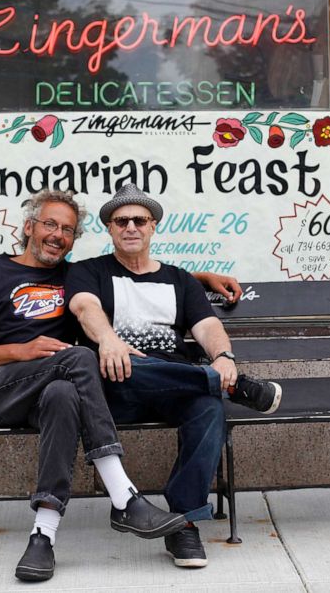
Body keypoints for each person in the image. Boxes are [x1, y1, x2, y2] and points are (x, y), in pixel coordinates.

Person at [0, 188, 240, 582]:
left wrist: (201, 279)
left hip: (49, 389)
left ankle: (43, 534)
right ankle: (123, 496)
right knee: (80, 356)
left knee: (62, 393)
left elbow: (136, 272)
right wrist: (22, 350)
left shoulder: (72, 274)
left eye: (67, 229)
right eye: (49, 224)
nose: (57, 234)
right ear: (28, 227)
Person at [66, 183, 282, 569]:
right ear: (110, 229)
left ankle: (183, 522)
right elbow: (84, 308)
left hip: (174, 387)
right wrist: (109, 341)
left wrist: (224, 355)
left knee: (208, 409)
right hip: (116, 385)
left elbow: (206, 326)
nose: (131, 226)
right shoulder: (89, 272)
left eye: (140, 220)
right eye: (121, 221)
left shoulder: (180, 280)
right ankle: (228, 385)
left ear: (153, 227)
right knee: (138, 368)